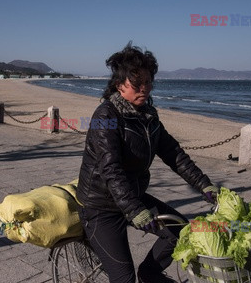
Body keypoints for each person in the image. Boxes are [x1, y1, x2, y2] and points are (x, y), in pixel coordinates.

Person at [76, 42, 218, 283]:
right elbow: (110, 168)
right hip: (101, 207)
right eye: (136, 84)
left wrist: (204, 185)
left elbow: (174, 154)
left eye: (148, 82)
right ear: (120, 85)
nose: (144, 89)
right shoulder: (105, 116)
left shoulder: (148, 117)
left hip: (133, 196)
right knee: (123, 278)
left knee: (181, 232)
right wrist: (133, 209)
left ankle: (149, 274)